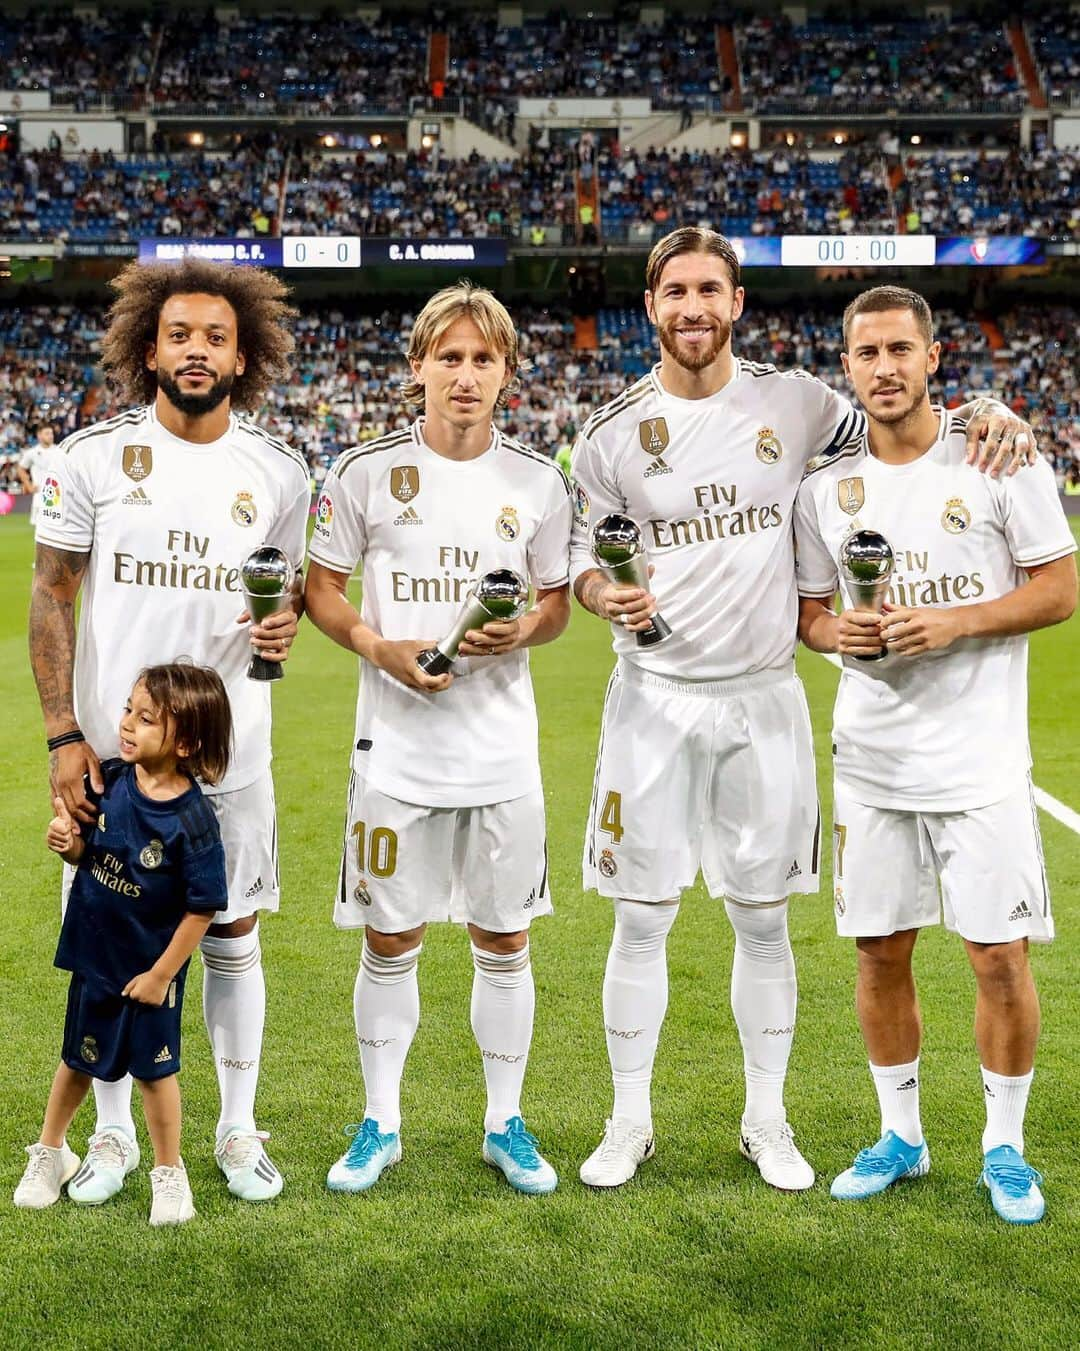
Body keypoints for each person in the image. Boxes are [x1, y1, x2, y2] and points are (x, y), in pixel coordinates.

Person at [568, 226, 1038, 1192]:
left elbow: (908, 424)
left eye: (710, 289)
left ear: (738, 302)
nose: (693, 308)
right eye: (674, 292)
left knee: (764, 920)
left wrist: (988, 408)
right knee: (640, 919)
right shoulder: (609, 433)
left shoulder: (804, 404)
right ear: (650, 306)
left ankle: (767, 1119)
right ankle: (627, 1120)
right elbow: (577, 556)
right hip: (649, 703)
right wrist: (593, 591)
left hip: (763, 700)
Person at [28, 259, 309, 1205]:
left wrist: (286, 622)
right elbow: (51, 594)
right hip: (115, 759)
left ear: (245, 355)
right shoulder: (91, 457)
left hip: (234, 760)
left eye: (215, 338)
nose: (196, 350)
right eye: (180, 335)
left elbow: (290, 596)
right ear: (148, 347)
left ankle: (235, 1128)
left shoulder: (278, 471)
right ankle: (110, 1138)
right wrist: (66, 735)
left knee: (231, 936)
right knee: (109, 939)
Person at [794, 286, 1077, 1224]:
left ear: (934, 357)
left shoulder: (998, 456)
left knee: (997, 956)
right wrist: (846, 636)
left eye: (900, 350)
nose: (884, 368)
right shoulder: (824, 492)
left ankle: (1005, 1147)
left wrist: (955, 622)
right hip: (872, 763)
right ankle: (902, 1136)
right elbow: (809, 616)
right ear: (847, 366)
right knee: (880, 952)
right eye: (866, 353)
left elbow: (1059, 589)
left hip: (981, 765)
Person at [305, 282, 571, 1195]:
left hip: (502, 753)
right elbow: (322, 590)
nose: (465, 375)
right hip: (396, 751)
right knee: (391, 936)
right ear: (417, 365)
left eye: (483, 359)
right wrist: (379, 647)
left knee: (505, 939)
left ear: (506, 373)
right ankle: (381, 1120)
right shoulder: (364, 471)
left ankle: (506, 1121)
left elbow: (557, 606)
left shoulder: (540, 481)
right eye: (448, 357)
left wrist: (521, 631)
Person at [15, 664, 233, 1226]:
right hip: (95, 957)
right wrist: (66, 844)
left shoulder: (193, 821)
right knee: (76, 1061)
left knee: (155, 1074)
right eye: (127, 710)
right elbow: (85, 852)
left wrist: (163, 975)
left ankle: (170, 1175)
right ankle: (52, 1152)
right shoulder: (108, 781)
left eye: (146, 718)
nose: (127, 725)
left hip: (150, 974)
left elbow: (203, 906)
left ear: (185, 741)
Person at [17, 423, 59, 526]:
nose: (51, 436)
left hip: (57, 495)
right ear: (39, 435)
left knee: (56, 529)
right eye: (47, 433)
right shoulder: (32, 452)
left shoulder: (59, 450)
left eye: (52, 433)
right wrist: (28, 485)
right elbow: (21, 469)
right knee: (39, 529)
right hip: (40, 495)